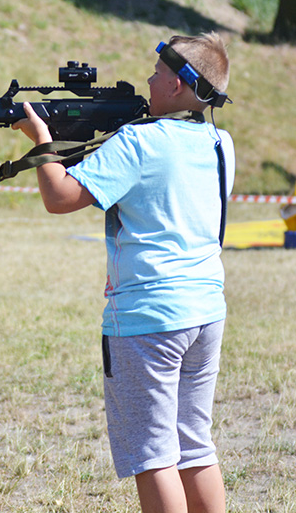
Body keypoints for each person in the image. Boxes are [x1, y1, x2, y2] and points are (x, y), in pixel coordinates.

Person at [13, 32, 234, 513]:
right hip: (205, 313)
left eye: (157, 73)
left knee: (154, 455)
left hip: (147, 319)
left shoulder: (139, 141)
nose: (148, 81)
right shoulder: (221, 143)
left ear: (176, 84)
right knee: (195, 446)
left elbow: (59, 198)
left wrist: (43, 143)